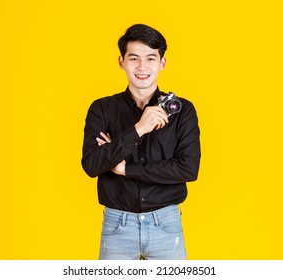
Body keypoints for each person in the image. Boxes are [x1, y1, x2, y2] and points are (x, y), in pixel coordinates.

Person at [81, 24, 201, 260]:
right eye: (134, 58)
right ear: (121, 62)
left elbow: (188, 168)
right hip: (117, 225)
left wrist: (126, 168)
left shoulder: (182, 111)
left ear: (162, 63)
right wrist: (138, 129)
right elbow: (92, 165)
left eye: (150, 58)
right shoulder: (102, 109)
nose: (142, 67)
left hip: (166, 223)